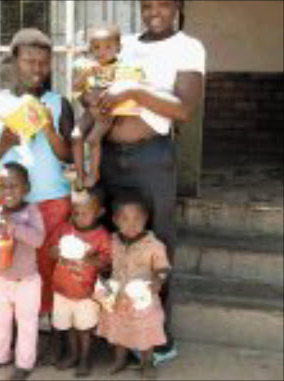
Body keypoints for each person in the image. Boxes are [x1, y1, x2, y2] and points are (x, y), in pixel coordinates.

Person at [93, 0, 206, 362]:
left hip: (151, 157)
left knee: (155, 243)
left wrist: (133, 93)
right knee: (109, 243)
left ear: (176, 6)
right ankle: (114, 334)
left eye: (161, 4)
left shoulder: (188, 47)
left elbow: (184, 108)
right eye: (146, 5)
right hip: (108, 155)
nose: (153, 11)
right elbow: (94, 83)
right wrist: (92, 96)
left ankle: (157, 338)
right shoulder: (123, 44)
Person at [0, 28, 75, 340]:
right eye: (30, 61)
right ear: (14, 61)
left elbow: (69, 154)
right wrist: (3, 142)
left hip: (51, 201)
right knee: (6, 269)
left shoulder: (59, 104)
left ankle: (41, 337)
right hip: (5, 205)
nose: (38, 69)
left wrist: (49, 130)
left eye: (44, 62)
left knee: (46, 269)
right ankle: (7, 338)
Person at [0, 162, 45, 381]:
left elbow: (38, 239)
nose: (7, 191)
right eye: (2, 186)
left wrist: (14, 227)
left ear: (26, 188)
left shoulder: (31, 211)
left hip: (26, 281)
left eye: (14, 186)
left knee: (27, 323)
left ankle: (24, 363)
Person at [96, 192, 171, 379]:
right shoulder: (112, 241)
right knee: (117, 329)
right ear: (115, 220)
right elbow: (105, 264)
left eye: (137, 219)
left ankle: (147, 362)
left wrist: (158, 280)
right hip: (117, 297)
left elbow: (163, 268)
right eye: (125, 219)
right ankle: (120, 360)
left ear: (146, 218)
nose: (131, 224)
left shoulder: (154, 245)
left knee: (146, 330)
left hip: (142, 300)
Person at [46, 189, 111, 377]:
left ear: (99, 213)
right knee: (68, 327)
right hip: (61, 290)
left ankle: (85, 359)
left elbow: (107, 262)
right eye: (75, 212)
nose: (79, 217)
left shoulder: (101, 236)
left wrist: (90, 260)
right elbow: (50, 250)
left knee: (84, 329)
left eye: (85, 213)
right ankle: (73, 355)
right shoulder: (64, 229)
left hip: (86, 294)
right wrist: (55, 251)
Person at [71, 26, 121, 189]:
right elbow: (75, 88)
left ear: (118, 48)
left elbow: (124, 90)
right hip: (90, 111)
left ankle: (93, 174)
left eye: (108, 47)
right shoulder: (87, 67)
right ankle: (80, 174)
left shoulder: (120, 68)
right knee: (76, 136)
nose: (102, 52)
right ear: (90, 49)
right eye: (97, 47)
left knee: (93, 139)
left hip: (105, 114)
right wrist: (86, 74)